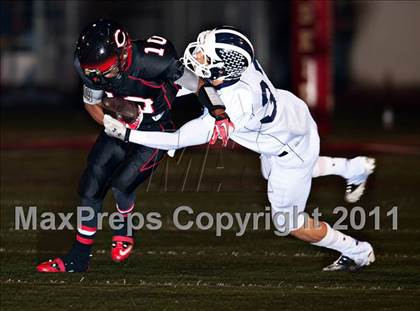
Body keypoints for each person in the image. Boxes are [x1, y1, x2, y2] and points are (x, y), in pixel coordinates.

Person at [104, 26, 376, 271]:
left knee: (288, 223)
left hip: (287, 146)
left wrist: (128, 134)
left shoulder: (236, 104)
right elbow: (196, 86)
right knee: (287, 170)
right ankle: (353, 168)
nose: (197, 56)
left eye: (204, 56)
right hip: (291, 122)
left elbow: (176, 139)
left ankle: (358, 251)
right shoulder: (236, 69)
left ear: (223, 68)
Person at [36, 19, 228, 273]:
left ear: (124, 53)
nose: (99, 76)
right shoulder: (92, 68)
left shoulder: (156, 60)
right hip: (121, 127)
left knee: (122, 184)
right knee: (90, 185)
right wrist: (109, 123)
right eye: (94, 71)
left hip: (156, 131)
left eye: (106, 69)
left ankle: (124, 226)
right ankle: (78, 258)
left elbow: (200, 85)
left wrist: (218, 111)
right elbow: (91, 103)